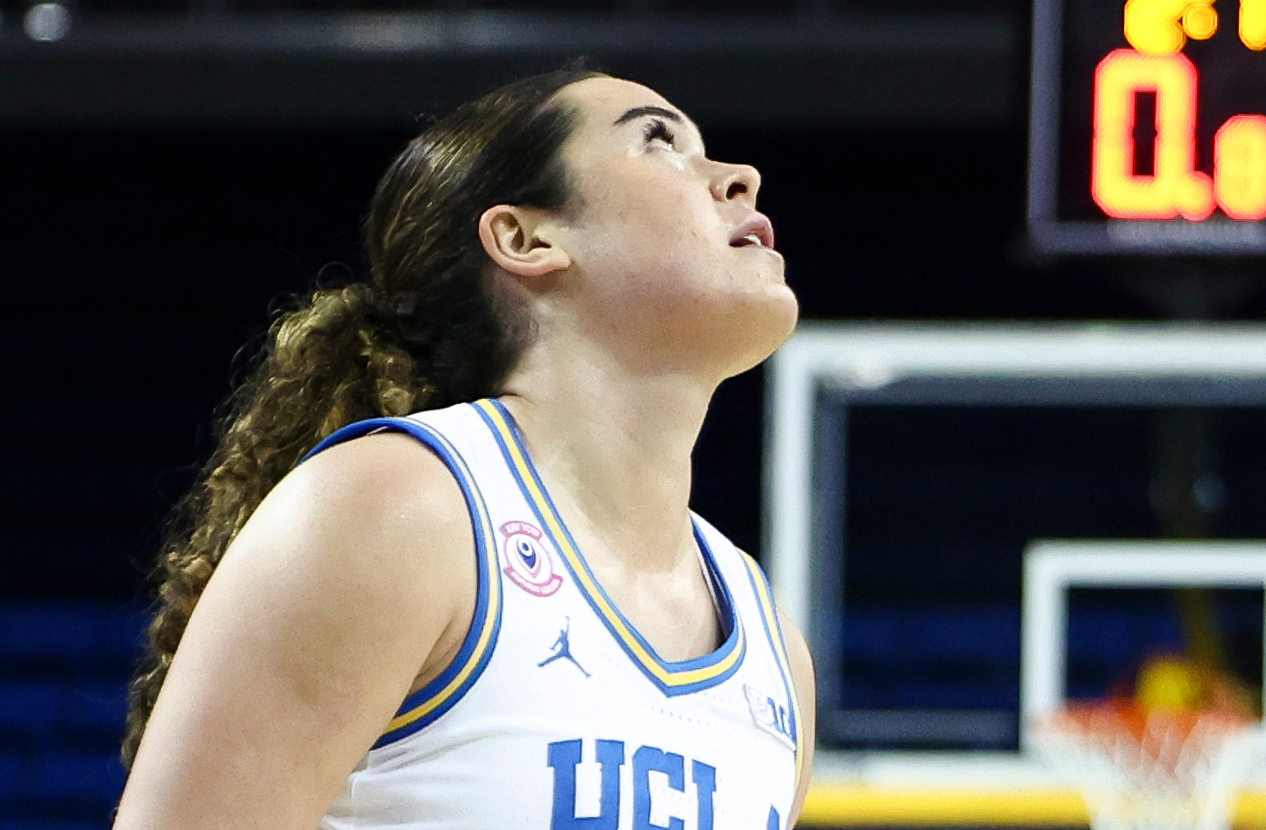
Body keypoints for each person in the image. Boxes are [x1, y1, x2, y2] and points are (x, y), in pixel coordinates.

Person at [115, 64, 809, 830]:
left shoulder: (771, 643)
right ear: (526, 237)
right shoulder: (399, 505)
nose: (739, 176)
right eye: (660, 141)